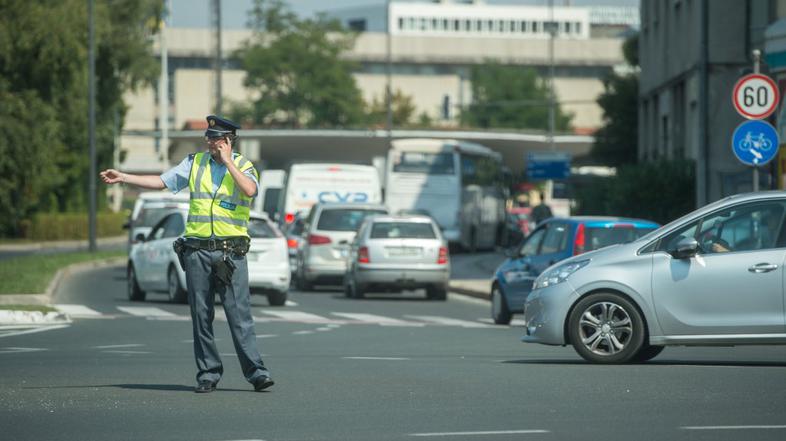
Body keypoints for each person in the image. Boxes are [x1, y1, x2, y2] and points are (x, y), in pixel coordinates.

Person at [100, 115, 274, 394]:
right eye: (208, 137)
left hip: (231, 254)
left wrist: (228, 161)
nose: (209, 142)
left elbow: (250, 190)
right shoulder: (195, 163)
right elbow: (161, 181)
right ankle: (208, 374)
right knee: (201, 315)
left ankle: (257, 373)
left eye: (215, 138)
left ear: (228, 140)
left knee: (239, 316)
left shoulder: (243, 165)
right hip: (197, 252)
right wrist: (123, 177)